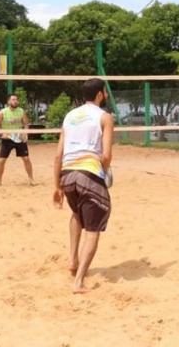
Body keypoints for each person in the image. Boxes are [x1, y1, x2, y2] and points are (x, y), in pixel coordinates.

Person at [52, 78, 115, 294]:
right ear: (99, 95)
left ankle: (72, 260)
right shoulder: (104, 117)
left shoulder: (70, 116)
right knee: (94, 228)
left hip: (67, 175)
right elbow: (106, 156)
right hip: (88, 172)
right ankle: (78, 282)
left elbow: (58, 155)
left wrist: (57, 187)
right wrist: (105, 172)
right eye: (105, 92)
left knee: (77, 214)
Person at [0, 94, 34, 186]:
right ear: (8, 102)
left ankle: (31, 179)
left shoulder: (21, 111)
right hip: (8, 139)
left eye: (16, 100)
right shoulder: (3, 112)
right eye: (13, 99)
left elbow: (26, 124)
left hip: (19, 138)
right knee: (2, 160)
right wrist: (2, 133)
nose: (15, 101)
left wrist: (25, 133)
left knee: (26, 159)